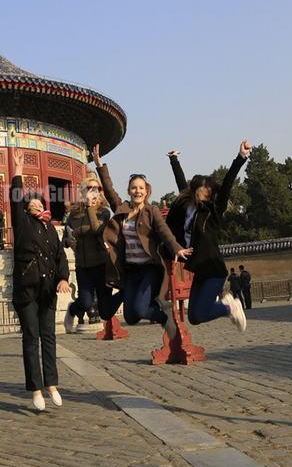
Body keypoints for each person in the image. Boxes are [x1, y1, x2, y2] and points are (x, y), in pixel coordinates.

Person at [92, 144, 192, 339]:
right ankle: (157, 306)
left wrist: (177, 249)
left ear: (146, 191)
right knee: (130, 316)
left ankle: (164, 318)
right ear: (129, 191)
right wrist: (99, 164)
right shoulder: (122, 209)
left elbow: (164, 231)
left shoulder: (151, 211)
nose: (137, 191)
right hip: (132, 271)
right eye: (133, 188)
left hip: (150, 269)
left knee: (138, 309)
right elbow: (109, 190)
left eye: (141, 188)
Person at [164, 142, 251, 330]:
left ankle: (230, 307)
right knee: (194, 317)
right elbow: (181, 184)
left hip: (213, 269)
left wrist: (240, 158)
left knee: (201, 313)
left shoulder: (213, 212)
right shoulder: (186, 207)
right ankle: (228, 307)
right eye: (199, 188)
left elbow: (227, 184)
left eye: (207, 189)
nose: (202, 192)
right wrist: (174, 160)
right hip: (199, 269)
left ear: (211, 193)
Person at [10, 150, 71, 411]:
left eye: (39, 203)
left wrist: (64, 278)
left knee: (49, 337)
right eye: (31, 203)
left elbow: (60, 257)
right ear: (26, 208)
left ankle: (52, 385)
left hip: (48, 291)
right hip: (26, 290)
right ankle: (35, 389)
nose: (36, 205)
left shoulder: (49, 228)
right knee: (30, 336)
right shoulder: (22, 223)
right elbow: (15, 200)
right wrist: (17, 172)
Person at [62, 174, 115, 333]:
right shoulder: (73, 214)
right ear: (83, 192)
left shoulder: (104, 212)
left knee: (104, 306)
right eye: (89, 188)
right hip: (83, 265)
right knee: (85, 302)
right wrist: (68, 241)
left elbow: (98, 231)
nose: (93, 191)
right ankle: (72, 309)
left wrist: (91, 208)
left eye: (96, 189)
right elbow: (66, 237)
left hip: (101, 263)